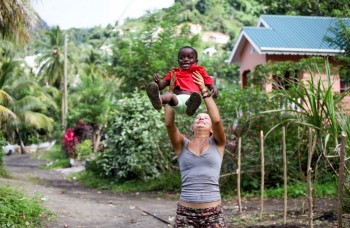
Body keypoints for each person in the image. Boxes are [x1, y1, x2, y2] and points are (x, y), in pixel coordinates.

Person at [164, 71, 226, 227]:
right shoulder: (182, 145)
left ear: (211, 129)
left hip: (213, 213)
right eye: (198, 118)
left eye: (205, 118)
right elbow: (169, 124)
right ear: (192, 127)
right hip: (185, 213)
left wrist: (203, 89)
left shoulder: (218, 143)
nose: (201, 118)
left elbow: (217, 120)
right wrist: (171, 92)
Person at [146, 46, 218, 116]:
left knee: (195, 96)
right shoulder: (173, 73)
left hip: (190, 101)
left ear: (196, 61)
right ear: (178, 61)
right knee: (170, 95)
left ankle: (191, 108)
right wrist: (157, 81)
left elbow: (210, 83)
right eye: (181, 58)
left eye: (190, 57)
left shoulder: (199, 71)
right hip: (177, 100)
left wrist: (213, 89)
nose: (185, 59)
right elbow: (161, 86)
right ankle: (159, 100)